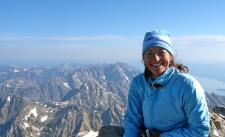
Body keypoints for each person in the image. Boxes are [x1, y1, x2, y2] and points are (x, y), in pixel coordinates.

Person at [98, 29, 210, 137]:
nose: (156, 59)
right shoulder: (138, 83)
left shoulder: (188, 85)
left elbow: (200, 130)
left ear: (170, 57)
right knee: (106, 131)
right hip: (147, 134)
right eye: (149, 54)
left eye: (161, 53)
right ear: (144, 58)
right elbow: (133, 118)